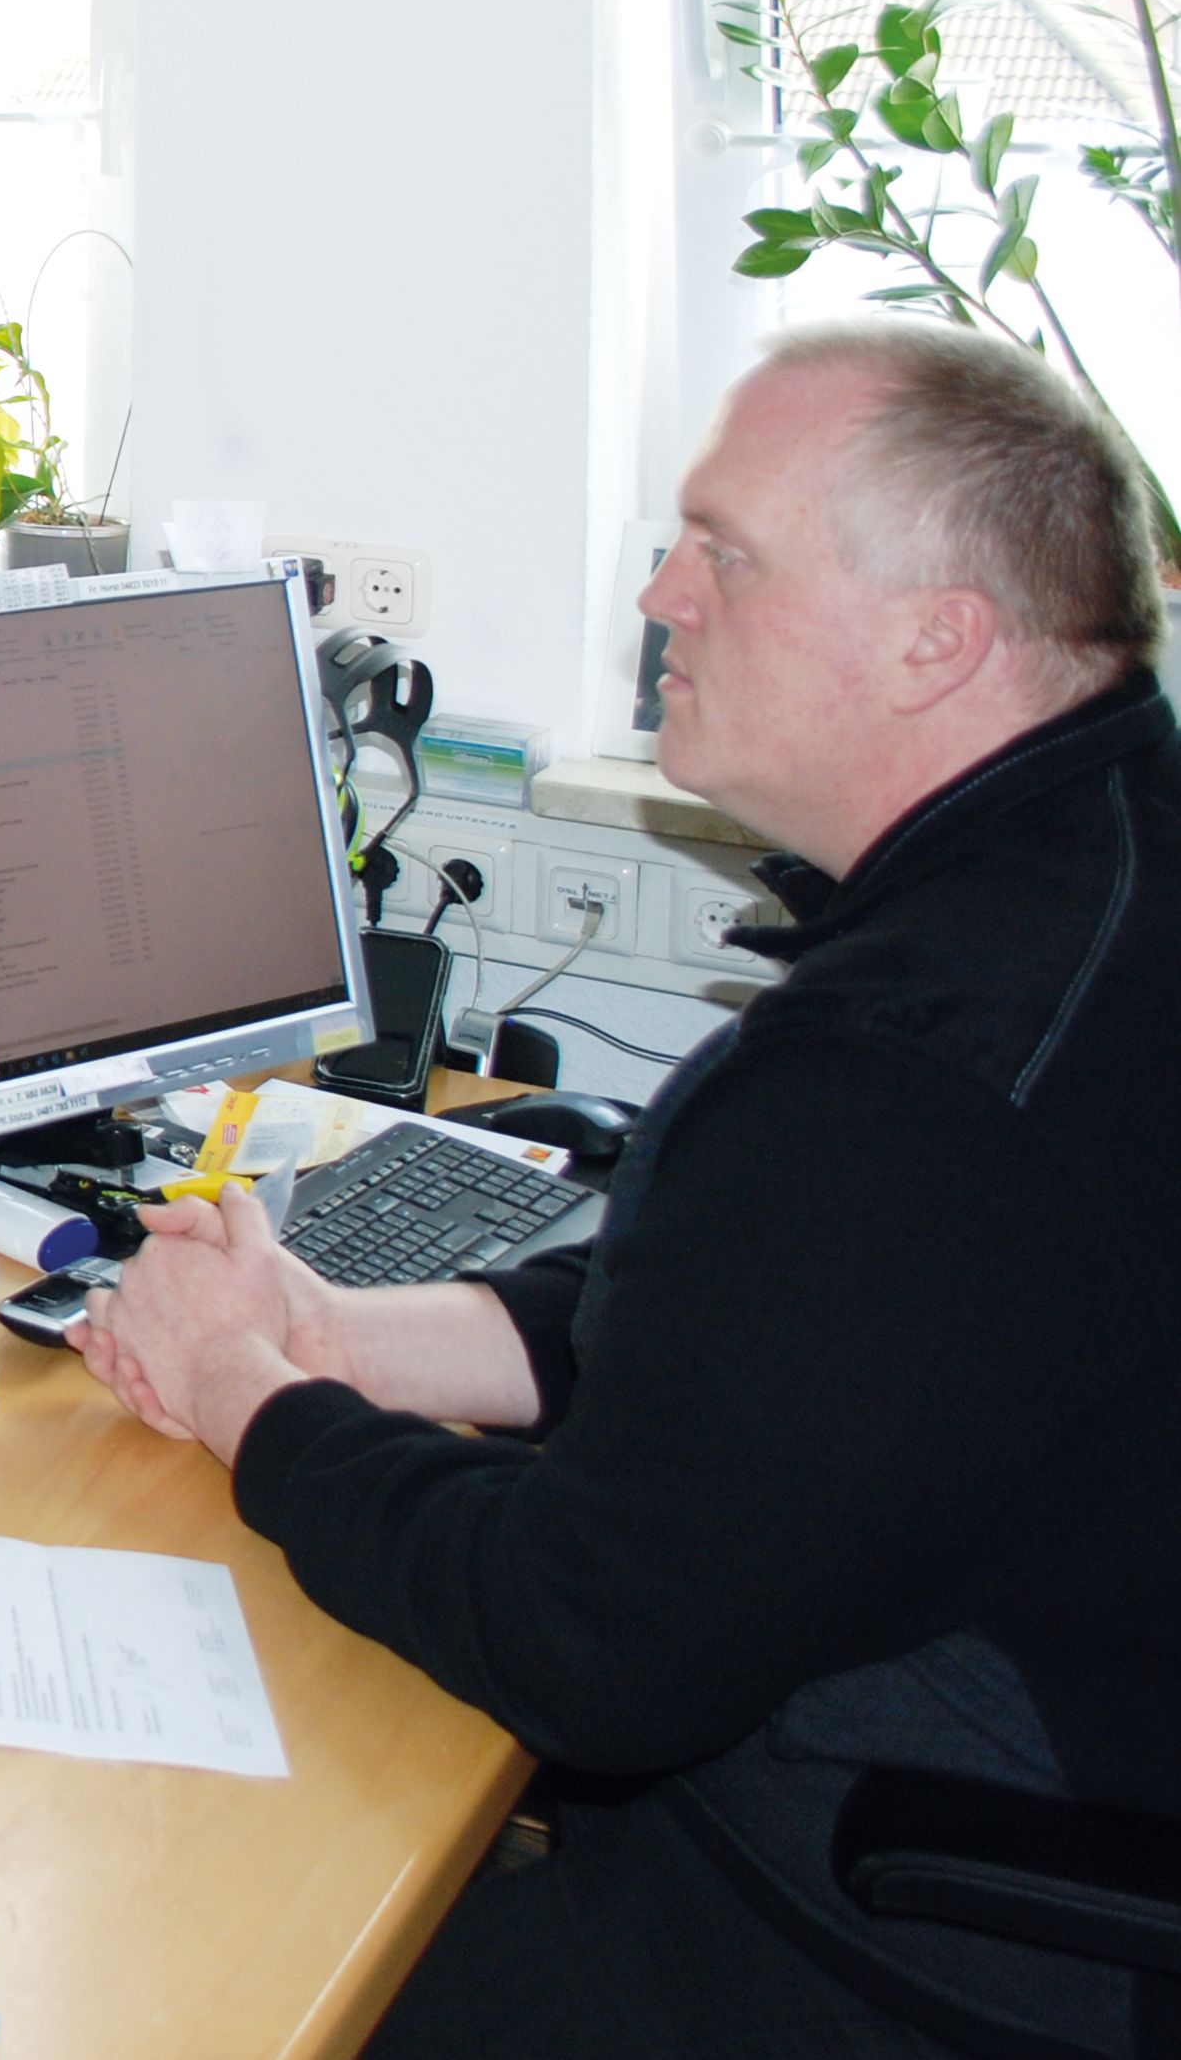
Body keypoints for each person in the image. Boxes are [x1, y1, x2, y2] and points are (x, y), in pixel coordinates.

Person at [71, 320, 1181, 2059]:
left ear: (932, 643)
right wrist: (348, 1335)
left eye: (721, 555)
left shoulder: (920, 1077)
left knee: (182, 1972)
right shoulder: (1079, 875)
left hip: (906, 1924)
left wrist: (246, 1398)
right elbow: (762, 1337)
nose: (659, 596)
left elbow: (585, 1647)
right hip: (1029, 1737)